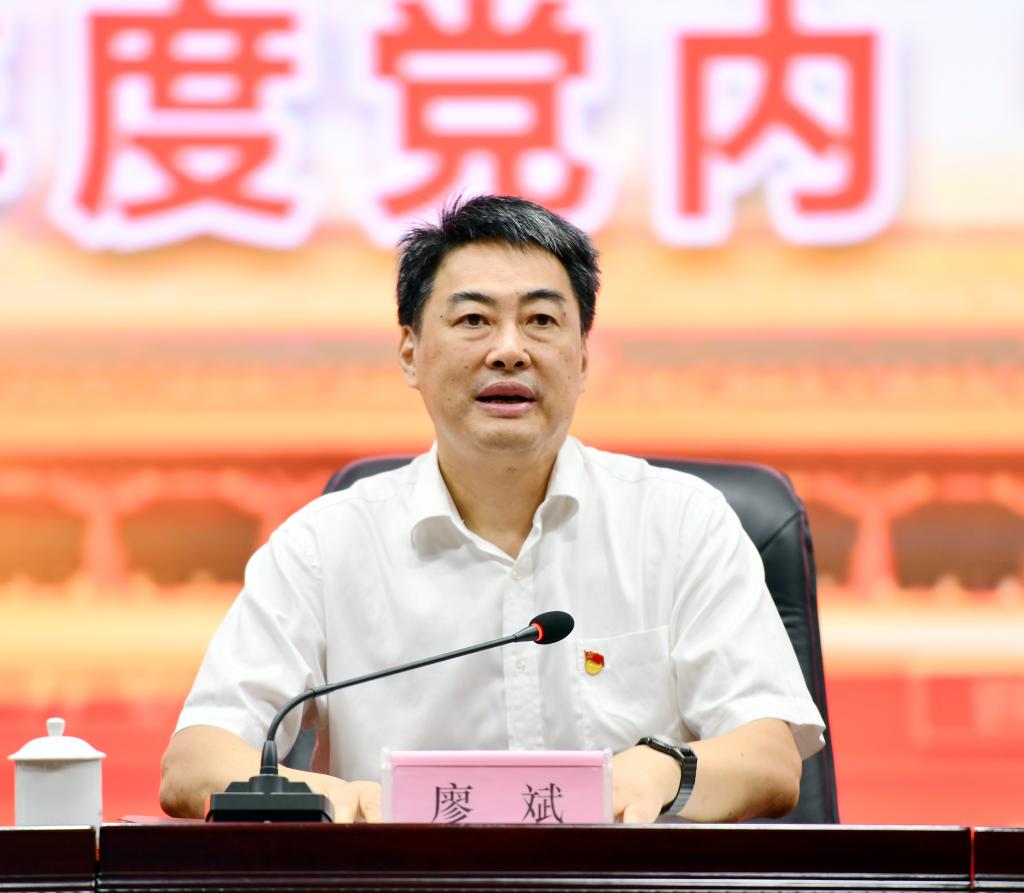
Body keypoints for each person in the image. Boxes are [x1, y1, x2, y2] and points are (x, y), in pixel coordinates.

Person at [160, 195, 824, 824]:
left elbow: (769, 759)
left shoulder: (681, 524)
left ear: (582, 358)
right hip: (405, 887)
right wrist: (341, 797)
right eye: (473, 320)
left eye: (542, 321)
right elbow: (195, 763)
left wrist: (665, 770)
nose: (509, 349)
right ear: (411, 353)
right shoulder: (324, 546)